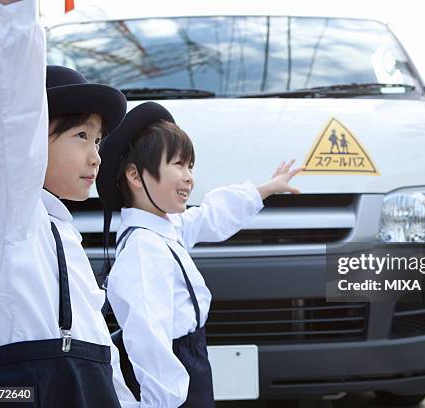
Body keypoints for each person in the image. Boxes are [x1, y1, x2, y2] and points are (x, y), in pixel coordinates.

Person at [0, 0, 138, 406]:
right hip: (26, 389)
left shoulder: (59, 228)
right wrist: (12, 16)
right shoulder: (10, 211)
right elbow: (14, 111)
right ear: (31, 142)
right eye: (81, 137)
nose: (96, 156)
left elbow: (97, 344)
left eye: (98, 141)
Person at [96, 101, 304, 407]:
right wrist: (162, 401)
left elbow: (208, 217)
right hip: (174, 370)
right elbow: (148, 339)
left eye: (190, 166)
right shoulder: (143, 250)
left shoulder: (163, 228)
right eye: (178, 165)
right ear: (136, 176)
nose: (189, 177)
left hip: (190, 357)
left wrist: (263, 190)